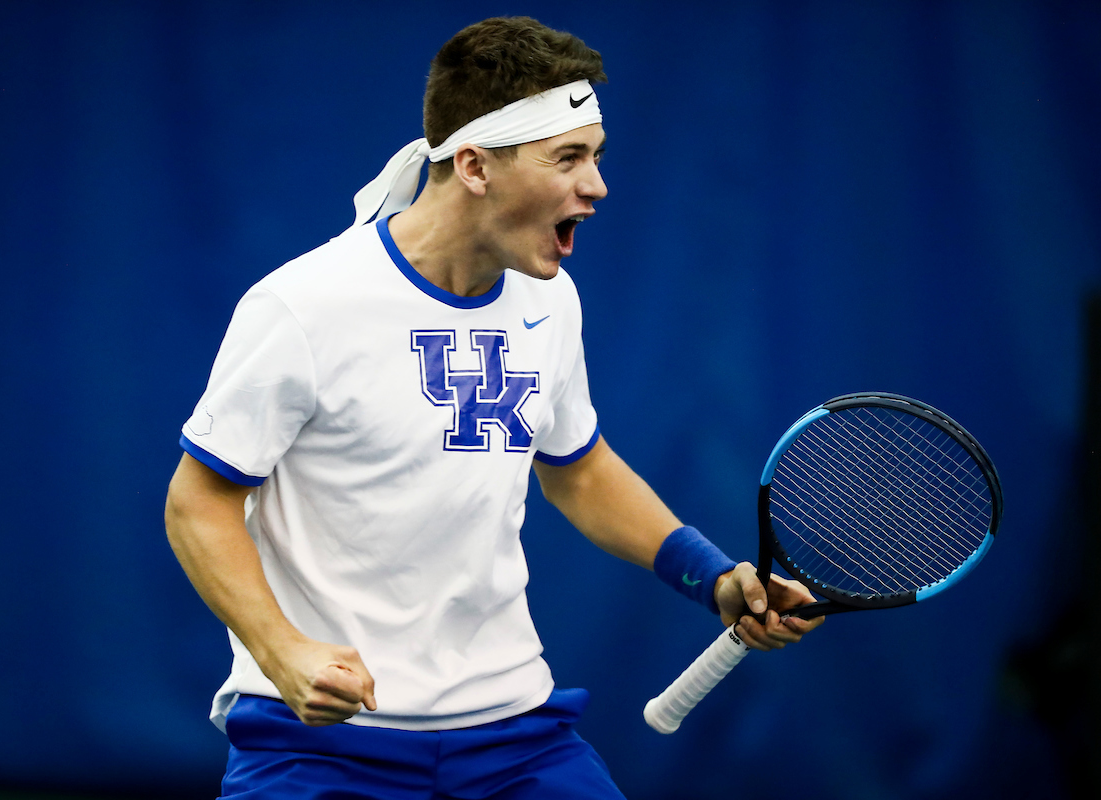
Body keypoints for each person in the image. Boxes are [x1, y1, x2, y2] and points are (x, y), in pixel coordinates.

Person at [164, 16, 821, 799]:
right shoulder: (302, 306)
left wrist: (716, 579)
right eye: (569, 158)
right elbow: (197, 503)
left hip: (514, 735)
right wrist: (283, 651)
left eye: (597, 157)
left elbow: (578, 470)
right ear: (475, 166)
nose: (598, 185)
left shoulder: (551, 301)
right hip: (318, 746)